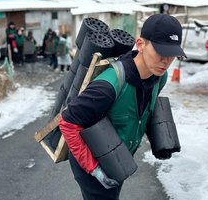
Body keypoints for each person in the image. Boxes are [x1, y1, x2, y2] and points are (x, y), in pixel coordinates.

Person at [58, 14, 186, 200]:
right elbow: (67, 123)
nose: (166, 61)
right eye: (161, 52)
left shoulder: (159, 77)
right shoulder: (108, 86)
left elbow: (142, 111)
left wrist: (160, 139)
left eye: (172, 54)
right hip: (92, 163)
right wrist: (95, 170)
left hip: (118, 157)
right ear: (140, 44)